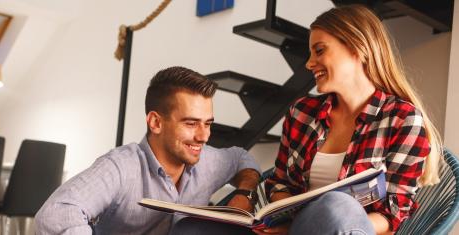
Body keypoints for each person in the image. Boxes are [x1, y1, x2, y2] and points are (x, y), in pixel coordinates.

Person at [260, 4, 443, 235]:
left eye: (319, 50)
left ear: (358, 48)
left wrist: (336, 219)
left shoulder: (402, 120)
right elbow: (279, 183)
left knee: (338, 205)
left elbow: (392, 214)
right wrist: (292, 223)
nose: (308, 63)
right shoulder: (301, 113)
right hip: (299, 228)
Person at [35, 66, 262, 235]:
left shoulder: (209, 161)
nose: (203, 136)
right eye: (191, 124)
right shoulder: (120, 166)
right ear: (155, 122)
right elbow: (55, 214)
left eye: (208, 123)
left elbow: (241, 158)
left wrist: (245, 192)